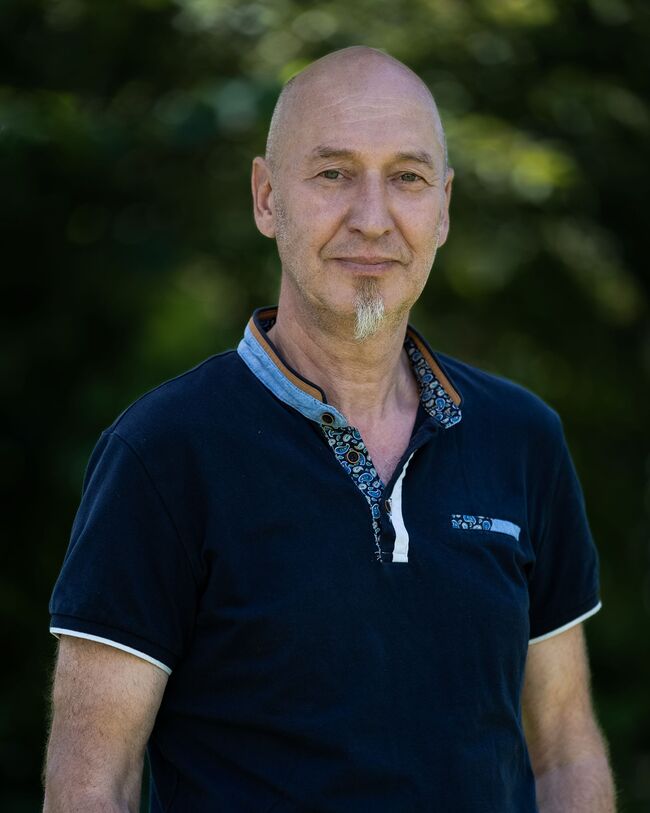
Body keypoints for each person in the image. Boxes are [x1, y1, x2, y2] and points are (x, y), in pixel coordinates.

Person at [43, 46, 616, 812]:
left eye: (407, 178)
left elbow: (567, 751)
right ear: (266, 197)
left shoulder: (522, 439)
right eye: (334, 173)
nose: (372, 219)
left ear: (444, 207)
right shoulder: (163, 452)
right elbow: (90, 787)